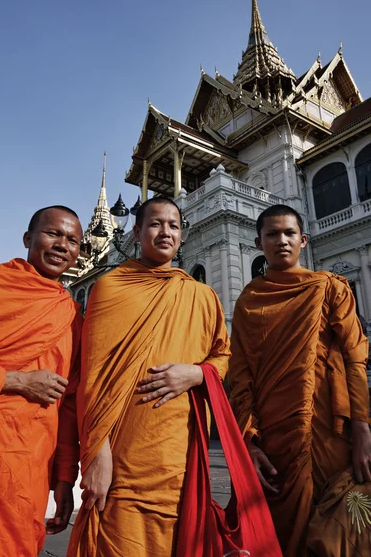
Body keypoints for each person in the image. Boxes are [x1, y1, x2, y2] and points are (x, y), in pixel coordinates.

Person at [67, 197, 230, 557]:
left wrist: (196, 373)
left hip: (180, 453)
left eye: (174, 225)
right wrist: (96, 454)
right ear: (137, 232)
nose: (166, 232)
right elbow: (92, 378)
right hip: (124, 455)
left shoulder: (202, 296)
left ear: (182, 235)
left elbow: (222, 357)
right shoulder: (111, 288)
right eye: (156, 224)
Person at [229, 204, 371, 556]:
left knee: (332, 522)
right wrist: (248, 438)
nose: (281, 241)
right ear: (259, 242)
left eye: (289, 233)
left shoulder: (329, 288)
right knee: (278, 528)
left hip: (328, 431)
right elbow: (241, 372)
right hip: (275, 435)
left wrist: (362, 427)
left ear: (303, 240)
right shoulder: (250, 300)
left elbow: (355, 358)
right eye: (272, 235)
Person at [0, 206, 84, 557]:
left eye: (73, 240)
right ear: (28, 238)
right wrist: (15, 380)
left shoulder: (70, 315)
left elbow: (69, 402)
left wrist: (66, 478)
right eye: (53, 234)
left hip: (31, 464)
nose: (62, 245)